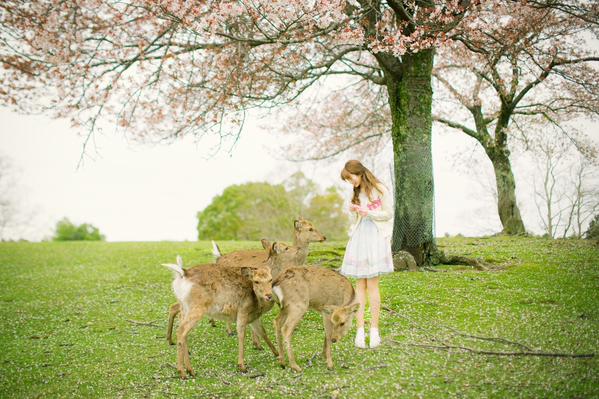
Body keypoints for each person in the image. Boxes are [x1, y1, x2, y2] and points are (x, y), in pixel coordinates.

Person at [340, 160, 393, 348]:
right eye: (347, 179)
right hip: (360, 238)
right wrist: (354, 211)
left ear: (359, 172)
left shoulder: (379, 189)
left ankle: (375, 330)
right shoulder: (355, 192)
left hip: (376, 238)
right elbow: (355, 219)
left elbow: (388, 213)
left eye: (350, 177)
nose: (350, 182)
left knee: (372, 286)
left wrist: (368, 212)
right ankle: (360, 331)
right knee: (359, 286)